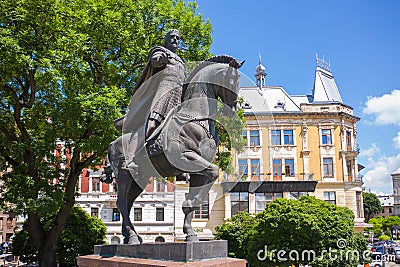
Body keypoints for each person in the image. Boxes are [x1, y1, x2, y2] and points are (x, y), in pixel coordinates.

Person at [121, 29, 185, 172]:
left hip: (177, 97)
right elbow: (155, 61)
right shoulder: (161, 51)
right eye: (172, 37)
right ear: (166, 40)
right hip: (164, 93)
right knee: (151, 124)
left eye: (178, 38)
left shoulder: (181, 61)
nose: (175, 40)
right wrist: (160, 59)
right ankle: (129, 158)